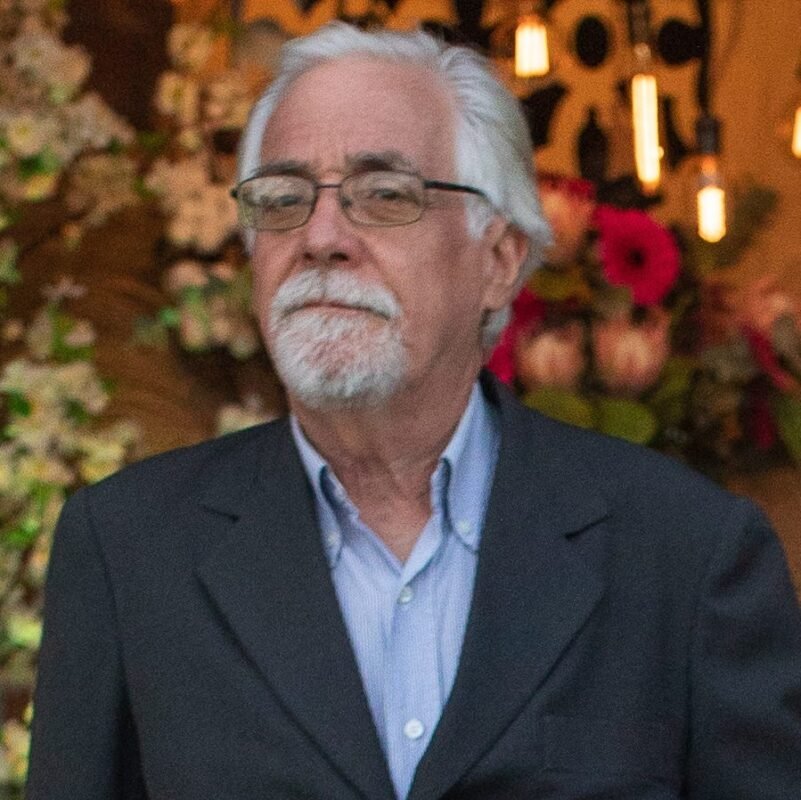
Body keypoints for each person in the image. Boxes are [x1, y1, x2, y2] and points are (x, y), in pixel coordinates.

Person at [27, 22, 801, 800]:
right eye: (283, 199)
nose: (320, 237)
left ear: (497, 260)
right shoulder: (129, 548)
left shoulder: (684, 553)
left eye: (384, 195)